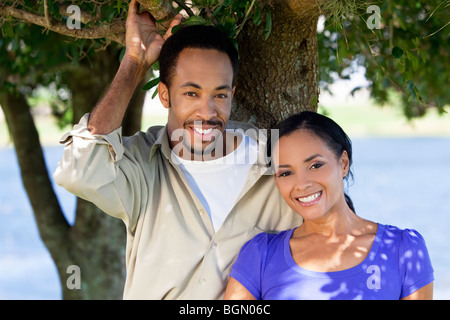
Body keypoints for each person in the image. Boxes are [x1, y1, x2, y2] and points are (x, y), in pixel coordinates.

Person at [52, 0, 301, 299]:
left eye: (219, 95)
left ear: (232, 93)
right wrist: (135, 61)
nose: (207, 111)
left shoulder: (280, 161)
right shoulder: (143, 164)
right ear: (165, 95)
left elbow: (333, 239)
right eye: (191, 93)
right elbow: (80, 171)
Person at [224, 111, 434, 300]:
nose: (302, 184)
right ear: (277, 181)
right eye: (286, 173)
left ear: (343, 163)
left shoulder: (403, 249)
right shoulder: (261, 255)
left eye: (315, 165)